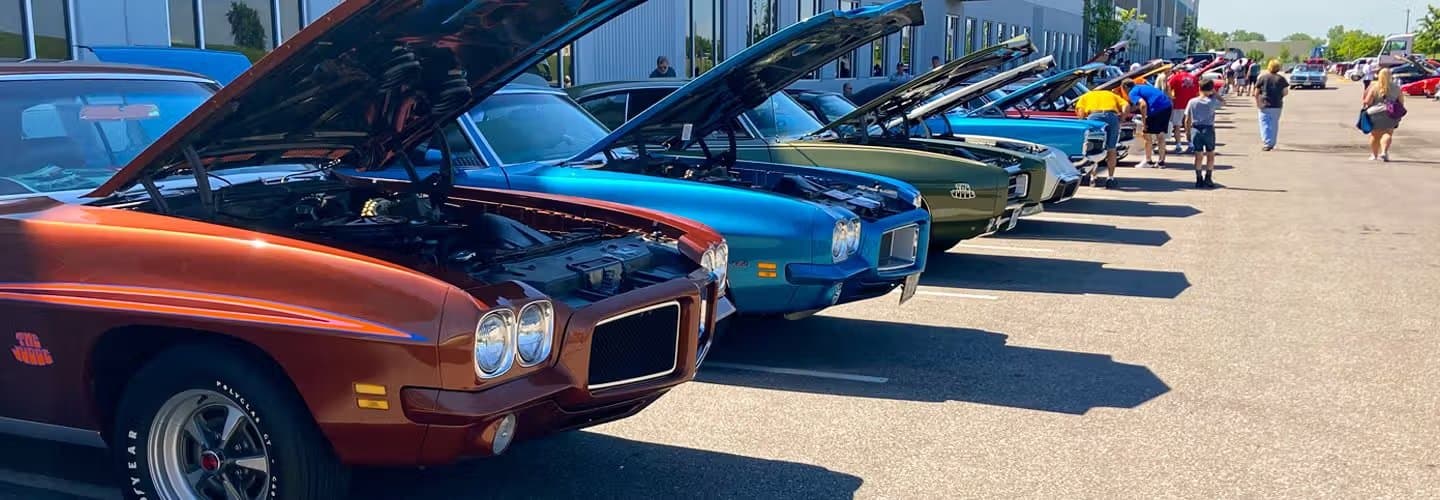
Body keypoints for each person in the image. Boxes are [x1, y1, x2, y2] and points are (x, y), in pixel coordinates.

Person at [1074, 87, 1131, 189]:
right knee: (1112, 148)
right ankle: (1110, 178)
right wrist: (1122, 118)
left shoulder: (1086, 96)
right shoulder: (1112, 95)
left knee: (1094, 148)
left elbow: (1080, 112)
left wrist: (1083, 122)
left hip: (1094, 116)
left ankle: (1093, 177)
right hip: (1111, 116)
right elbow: (1126, 105)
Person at [1126, 78, 1174, 168]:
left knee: (1146, 136)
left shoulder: (1132, 92)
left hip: (1155, 110)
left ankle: (1148, 161)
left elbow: (1143, 105)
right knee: (1160, 135)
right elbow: (1140, 104)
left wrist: (1144, 122)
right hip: (1167, 106)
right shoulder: (1142, 87)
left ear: (1125, 87)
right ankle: (1161, 162)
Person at [1186, 80, 1224, 188]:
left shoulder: (1192, 101)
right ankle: (1208, 177)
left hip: (1196, 128)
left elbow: (1187, 118)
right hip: (1208, 129)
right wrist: (1215, 93)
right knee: (1210, 154)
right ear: (1211, 89)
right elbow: (1223, 102)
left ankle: (1199, 179)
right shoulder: (1212, 102)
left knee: (1198, 155)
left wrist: (1188, 131)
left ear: (1199, 88)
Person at [1362, 67, 1405, 161]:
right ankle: (1384, 152)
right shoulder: (1396, 87)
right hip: (1391, 113)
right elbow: (1401, 102)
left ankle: (1374, 155)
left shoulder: (1374, 87)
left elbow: (1368, 102)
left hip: (1375, 113)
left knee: (1375, 135)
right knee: (1388, 133)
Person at [1253, 59, 1289, 151]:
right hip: (1277, 105)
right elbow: (1285, 92)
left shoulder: (1263, 78)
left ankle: (1267, 143)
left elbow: (1256, 93)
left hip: (1264, 104)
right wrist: (1279, 95)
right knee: (1274, 124)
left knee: (1264, 124)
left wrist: (1258, 103)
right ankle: (1272, 142)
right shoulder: (1281, 79)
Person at [1167, 65, 1201, 154]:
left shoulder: (1176, 77)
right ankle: (1191, 144)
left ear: (1178, 70)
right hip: (1191, 104)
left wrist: (1171, 97)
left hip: (1178, 104)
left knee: (1177, 126)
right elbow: (1198, 92)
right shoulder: (1194, 77)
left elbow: (1168, 86)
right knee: (1189, 126)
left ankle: (1178, 146)